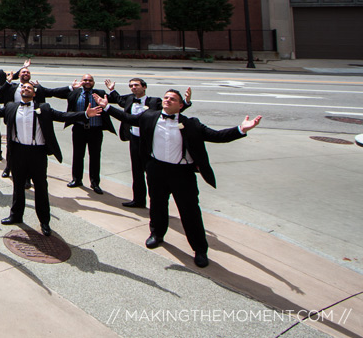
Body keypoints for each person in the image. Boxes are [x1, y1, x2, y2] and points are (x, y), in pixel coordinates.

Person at [99, 90, 261, 268]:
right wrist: (106, 107)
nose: (167, 100)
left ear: (181, 105)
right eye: (166, 97)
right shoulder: (149, 116)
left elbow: (216, 136)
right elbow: (127, 118)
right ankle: (157, 234)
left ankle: (200, 249)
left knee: (190, 212)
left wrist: (241, 129)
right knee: (157, 205)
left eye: (172, 99)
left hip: (182, 174)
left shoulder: (191, 124)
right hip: (156, 169)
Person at [0, 84, 96, 236]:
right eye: (23, 88)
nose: (25, 89)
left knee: (40, 187)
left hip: (37, 153)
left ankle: (44, 221)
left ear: (34, 93)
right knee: (18, 186)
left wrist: (84, 114)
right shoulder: (11, 107)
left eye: (29, 88)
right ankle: (16, 215)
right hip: (18, 152)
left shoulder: (44, 108)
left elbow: (62, 116)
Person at [105, 79, 191, 209]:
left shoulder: (154, 101)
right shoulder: (129, 99)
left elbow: (171, 110)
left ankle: (156, 201)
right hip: (134, 139)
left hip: (148, 141)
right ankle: (138, 200)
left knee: (151, 172)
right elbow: (118, 100)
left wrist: (186, 102)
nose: (133, 88)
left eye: (136, 85)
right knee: (136, 170)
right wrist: (112, 89)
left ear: (144, 87)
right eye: (131, 86)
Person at [36, 74, 112, 194]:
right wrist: (39, 87)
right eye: (85, 80)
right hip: (79, 129)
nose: (87, 82)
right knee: (77, 155)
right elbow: (52, 92)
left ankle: (95, 182)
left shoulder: (101, 93)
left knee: (95, 156)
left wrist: (112, 90)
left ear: (94, 82)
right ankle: (77, 179)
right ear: (81, 82)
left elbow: (118, 100)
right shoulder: (74, 93)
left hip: (95, 130)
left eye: (90, 80)